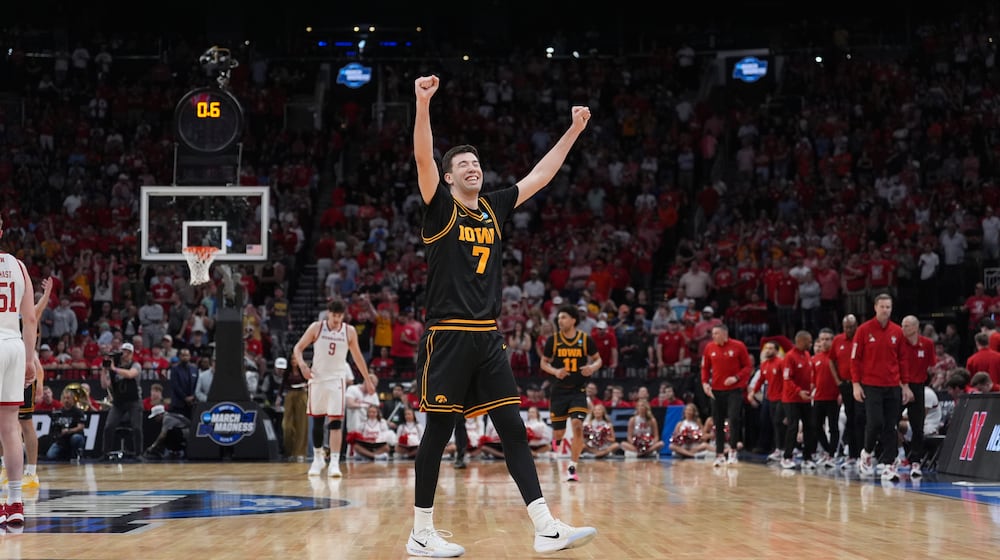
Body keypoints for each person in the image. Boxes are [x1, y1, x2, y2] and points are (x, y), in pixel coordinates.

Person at [407, 74, 596, 557]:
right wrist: (423, 104)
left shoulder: (492, 208)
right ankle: (420, 532)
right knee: (440, 432)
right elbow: (423, 157)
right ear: (449, 178)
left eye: (476, 162)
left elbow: (540, 176)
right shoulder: (440, 208)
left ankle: (545, 526)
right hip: (449, 335)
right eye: (463, 164)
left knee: (512, 428)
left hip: (489, 338)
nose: (473, 168)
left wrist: (573, 130)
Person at [293, 298, 375, 478]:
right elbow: (298, 348)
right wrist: (303, 366)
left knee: (336, 422)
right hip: (317, 378)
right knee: (317, 421)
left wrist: (367, 379)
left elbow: (358, 357)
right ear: (328, 313)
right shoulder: (317, 327)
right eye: (334, 315)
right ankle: (317, 458)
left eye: (339, 316)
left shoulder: (349, 331)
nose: (336, 319)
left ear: (343, 315)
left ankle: (335, 463)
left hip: (337, 380)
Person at [851, 293, 912, 482]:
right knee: (875, 422)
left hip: (893, 385)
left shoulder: (897, 332)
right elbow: (855, 359)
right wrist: (855, 384)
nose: (885, 310)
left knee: (890, 425)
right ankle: (867, 452)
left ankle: (888, 464)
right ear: (875, 307)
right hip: (871, 385)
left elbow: (903, 359)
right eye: (882, 306)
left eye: (888, 307)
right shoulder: (863, 330)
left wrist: (905, 385)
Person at [0, 223, 38, 527]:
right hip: (14, 345)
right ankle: (14, 502)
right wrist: (29, 358)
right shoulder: (18, 265)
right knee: (10, 429)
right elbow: (31, 317)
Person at [540, 304, 602, 482]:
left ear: (573, 320)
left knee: (577, 426)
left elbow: (599, 360)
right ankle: (556, 442)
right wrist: (555, 372)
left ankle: (572, 468)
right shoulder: (553, 340)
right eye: (559, 318)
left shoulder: (585, 339)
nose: (560, 320)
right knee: (558, 434)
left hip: (578, 391)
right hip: (558, 392)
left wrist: (591, 367)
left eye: (564, 317)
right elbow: (543, 363)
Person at [700, 324, 752, 466]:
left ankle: (733, 451)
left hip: (734, 390)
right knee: (718, 422)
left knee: (734, 419)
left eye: (716, 333)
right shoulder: (709, 348)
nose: (713, 336)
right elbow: (705, 368)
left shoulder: (738, 346)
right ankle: (719, 454)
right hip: (716, 391)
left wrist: (736, 377)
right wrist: (705, 383)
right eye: (713, 333)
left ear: (724, 333)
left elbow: (748, 367)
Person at [899, 315, 936, 478]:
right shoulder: (898, 343)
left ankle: (916, 460)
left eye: (906, 326)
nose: (903, 329)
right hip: (899, 385)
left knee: (918, 425)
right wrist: (903, 387)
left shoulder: (927, 344)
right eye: (902, 325)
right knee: (889, 422)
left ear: (915, 327)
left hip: (918, 386)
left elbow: (931, 366)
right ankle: (896, 456)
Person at [779, 331, 817, 470]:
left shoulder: (807, 355)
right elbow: (787, 379)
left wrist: (811, 385)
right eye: (809, 341)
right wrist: (798, 391)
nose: (811, 344)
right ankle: (787, 457)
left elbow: (810, 374)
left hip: (805, 398)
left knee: (810, 427)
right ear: (800, 341)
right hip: (791, 399)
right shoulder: (789, 357)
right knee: (793, 427)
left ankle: (807, 457)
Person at [100, 342, 144, 459]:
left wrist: (114, 368)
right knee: (109, 426)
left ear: (131, 354)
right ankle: (105, 453)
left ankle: (138, 453)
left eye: (127, 352)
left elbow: (130, 375)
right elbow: (105, 385)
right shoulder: (114, 367)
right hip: (119, 401)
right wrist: (104, 371)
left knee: (136, 427)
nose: (124, 354)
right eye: (123, 351)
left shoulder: (136, 365)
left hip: (134, 400)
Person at [278, 357, 309, 461]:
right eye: (292, 359)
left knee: (302, 425)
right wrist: (279, 397)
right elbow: (283, 385)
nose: (293, 362)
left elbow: (310, 381)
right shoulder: (287, 372)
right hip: (290, 395)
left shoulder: (304, 370)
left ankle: (300, 452)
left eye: (295, 359)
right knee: (287, 425)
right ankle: (289, 451)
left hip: (302, 395)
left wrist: (307, 386)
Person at [44, 388, 87, 461]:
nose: (66, 400)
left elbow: (81, 427)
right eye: (64, 398)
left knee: (76, 438)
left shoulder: (78, 412)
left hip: (74, 436)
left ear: (73, 399)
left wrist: (69, 431)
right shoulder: (59, 412)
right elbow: (55, 427)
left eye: (68, 398)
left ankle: (76, 453)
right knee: (50, 456)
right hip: (62, 440)